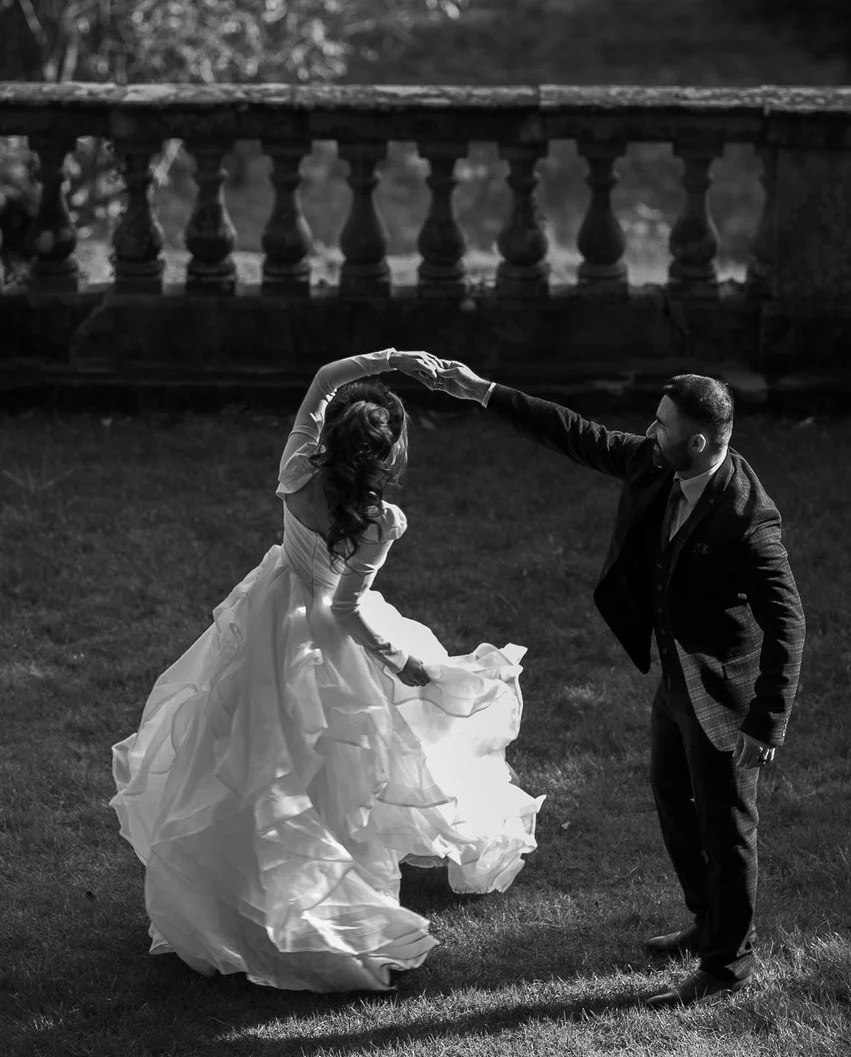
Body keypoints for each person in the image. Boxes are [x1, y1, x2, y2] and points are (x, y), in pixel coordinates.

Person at [110, 349, 541, 992]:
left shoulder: (295, 466)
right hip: (331, 633)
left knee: (258, 752)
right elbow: (346, 607)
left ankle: (259, 878)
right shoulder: (378, 519)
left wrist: (393, 360)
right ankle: (328, 889)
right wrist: (400, 662)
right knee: (349, 756)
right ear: (384, 459)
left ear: (330, 438)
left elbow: (321, 379)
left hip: (274, 609)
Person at [427, 362, 804, 1008]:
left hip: (722, 694)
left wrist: (765, 724)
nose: (647, 433)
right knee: (670, 795)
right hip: (676, 673)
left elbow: (789, 622)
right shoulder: (660, 461)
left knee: (727, 826)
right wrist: (485, 390)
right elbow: (576, 433)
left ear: (700, 444)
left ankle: (726, 966)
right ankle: (705, 921)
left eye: (661, 426)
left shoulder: (748, 521)